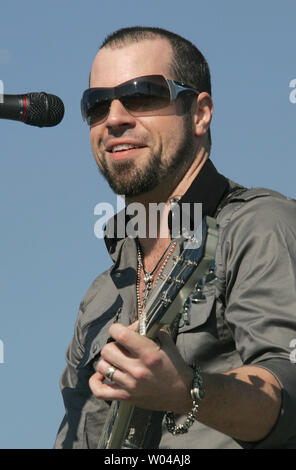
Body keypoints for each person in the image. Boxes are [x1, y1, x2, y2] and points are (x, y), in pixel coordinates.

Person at [54, 26, 296, 449]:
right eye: (95, 105)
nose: (114, 119)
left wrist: (187, 391)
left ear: (200, 113)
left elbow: (287, 388)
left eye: (142, 95)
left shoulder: (259, 225)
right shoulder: (101, 296)